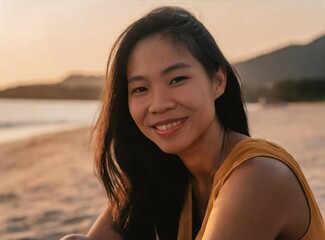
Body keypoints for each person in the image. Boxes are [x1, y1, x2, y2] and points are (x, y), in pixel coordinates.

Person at [61, 6, 325, 240]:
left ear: (218, 81)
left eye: (177, 79)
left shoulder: (260, 176)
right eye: (140, 89)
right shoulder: (161, 172)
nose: (159, 104)